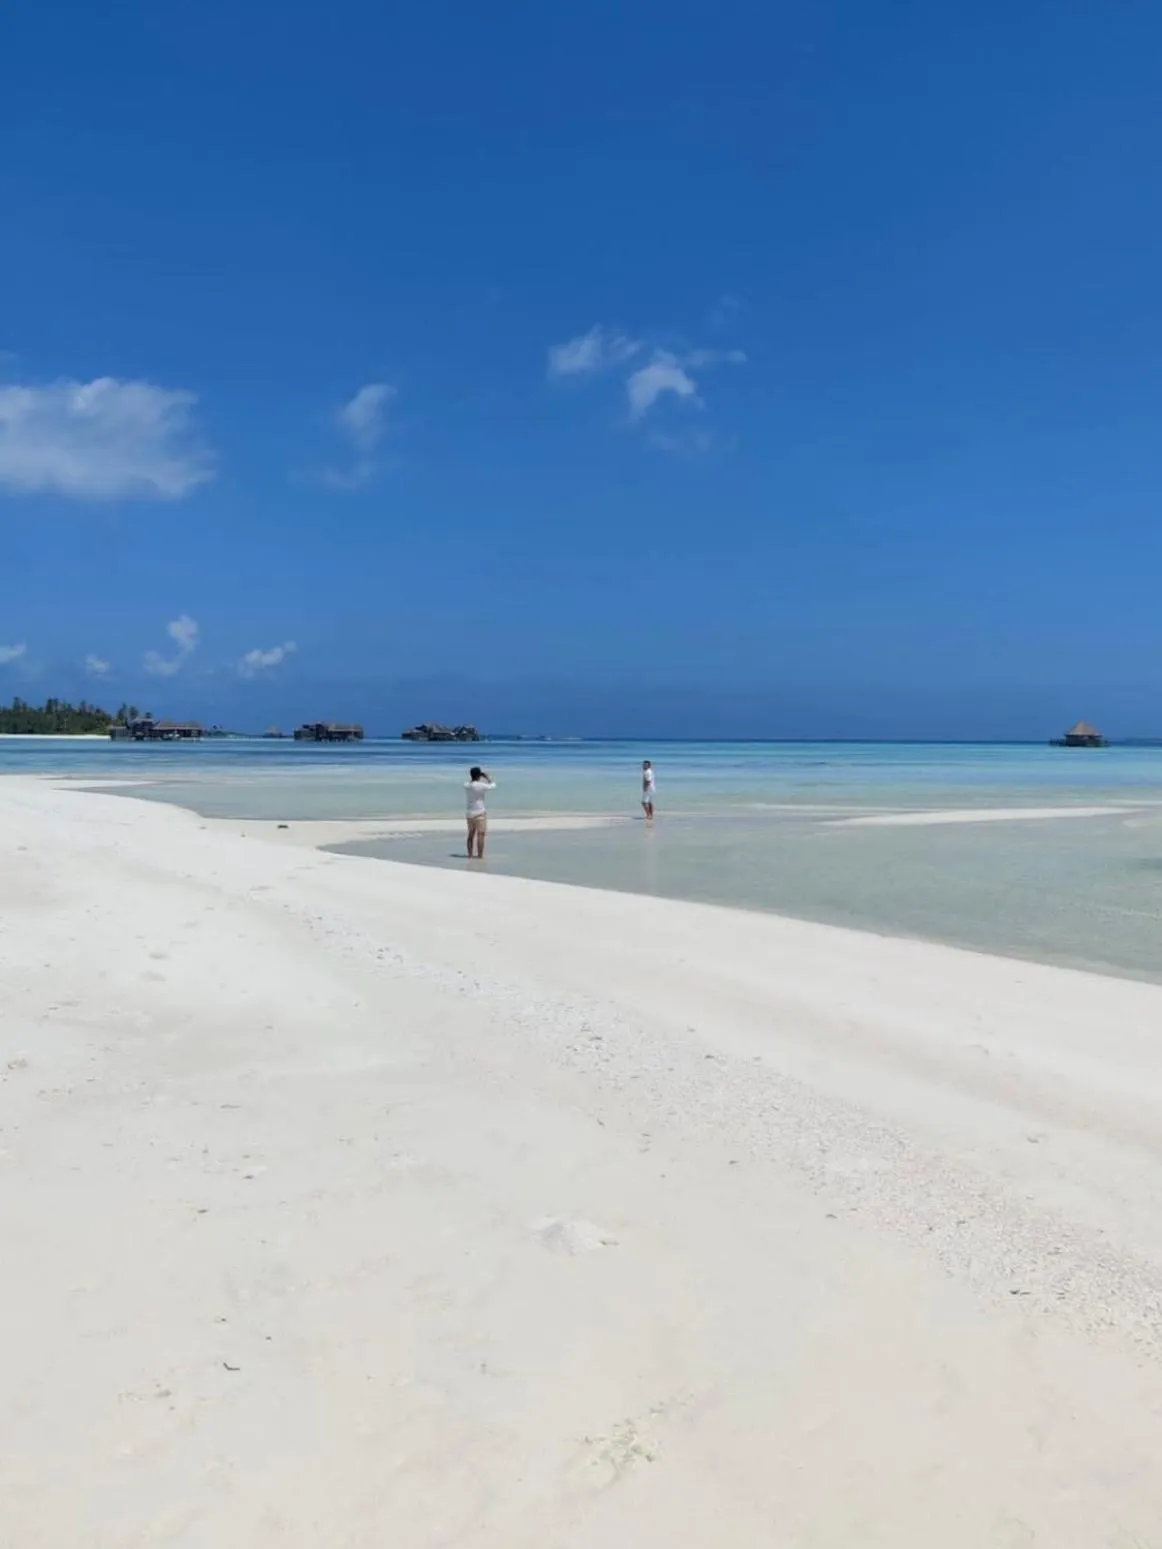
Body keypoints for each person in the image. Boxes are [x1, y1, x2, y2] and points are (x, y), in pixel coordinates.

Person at [465, 765, 495, 858]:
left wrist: (477, 777)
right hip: (480, 813)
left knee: (471, 834)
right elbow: (493, 786)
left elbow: (471, 783)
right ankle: (480, 855)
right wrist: (488, 778)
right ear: (479, 776)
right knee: (481, 835)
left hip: (469, 813)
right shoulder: (481, 785)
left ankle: (470, 854)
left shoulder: (466, 785)